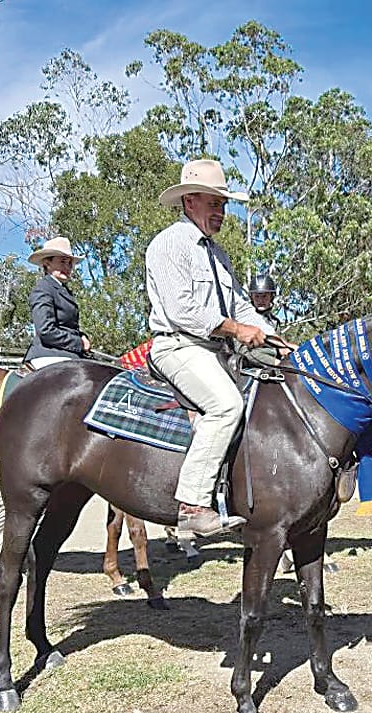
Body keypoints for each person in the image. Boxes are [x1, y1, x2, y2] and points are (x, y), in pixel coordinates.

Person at [145, 159, 279, 537]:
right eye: (213, 203)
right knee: (227, 406)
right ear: (189, 202)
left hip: (214, 351)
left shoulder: (218, 255)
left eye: (223, 205)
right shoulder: (170, 243)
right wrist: (238, 330)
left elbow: (240, 304)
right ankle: (192, 505)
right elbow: (181, 309)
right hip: (178, 346)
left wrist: (274, 338)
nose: (220, 212)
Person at [24, 236, 91, 369]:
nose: (67, 267)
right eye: (62, 262)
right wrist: (79, 343)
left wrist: (82, 337)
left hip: (67, 353)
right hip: (48, 354)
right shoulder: (43, 288)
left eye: (70, 263)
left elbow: (69, 326)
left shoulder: (64, 290)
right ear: (47, 263)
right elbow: (46, 330)